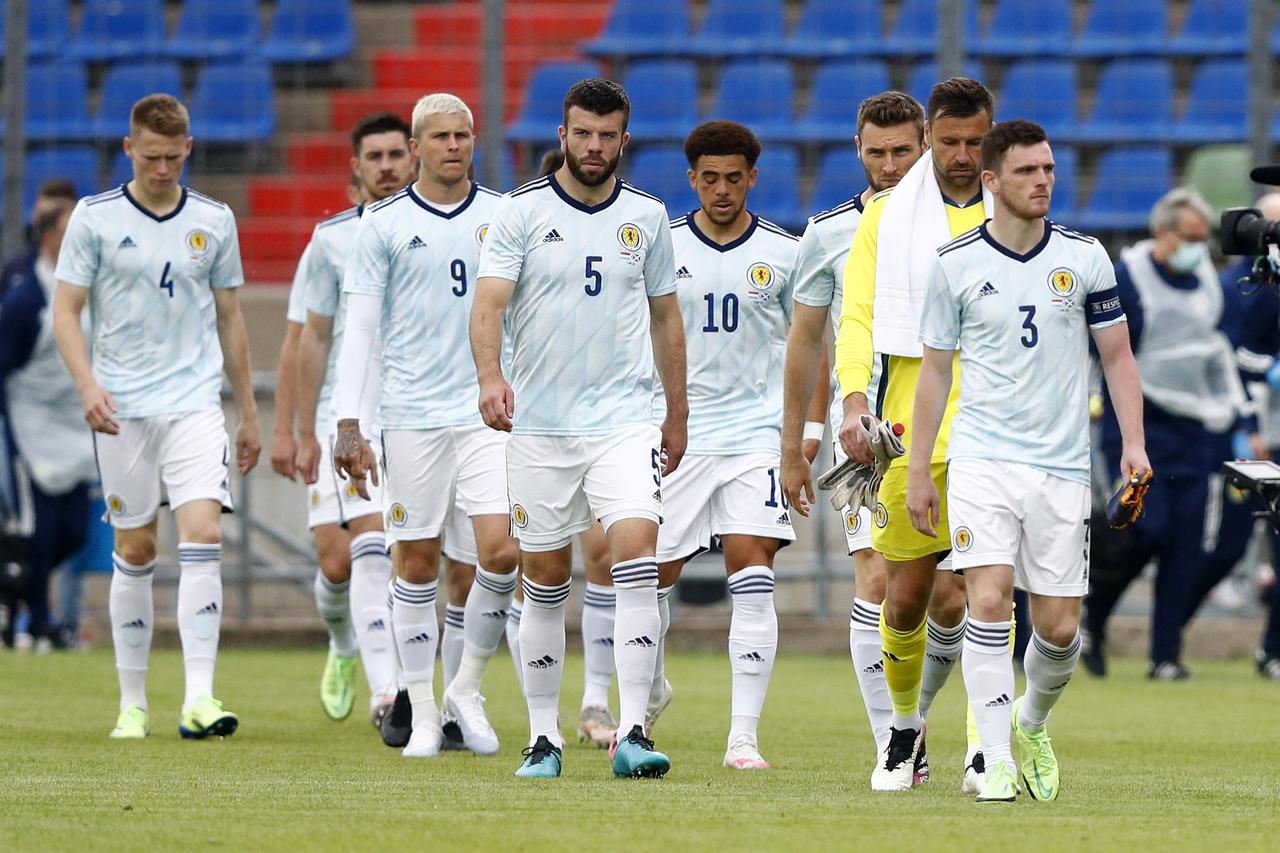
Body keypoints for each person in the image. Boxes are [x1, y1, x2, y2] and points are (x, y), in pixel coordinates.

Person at [906, 118, 1147, 804]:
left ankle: (1029, 721)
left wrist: (1133, 444)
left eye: (1048, 168)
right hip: (982, 458)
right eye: (1027, 171)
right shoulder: (955, 265)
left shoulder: (1087, 258)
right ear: (991, 180)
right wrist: (921, 467)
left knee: (1060, 627)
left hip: (1062, 466)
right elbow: (933, 376)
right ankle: (992, 758)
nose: (1043, 180)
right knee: (986, 598)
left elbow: (1118, 357)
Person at [471, 78, 687, 779]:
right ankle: (543, 737)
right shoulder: (519, 212)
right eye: (582, 134)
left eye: (607, 136)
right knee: (543, 577)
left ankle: (629, 729)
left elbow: (665, 319)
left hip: (623, 422)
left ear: (625, 140)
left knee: (635, 556)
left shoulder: (649, 217)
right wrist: (490, 377)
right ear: (562, 136)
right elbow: (489, 306)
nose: (595, 147)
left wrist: (675, 412)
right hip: (540, 425)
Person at [51, 93, 260, 739]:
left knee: (203, 534)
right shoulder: (94, 218)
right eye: (151, 157)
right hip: (122, 408)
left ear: (188, 150)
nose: (163, 168)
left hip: (194, 403)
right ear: (128, 150)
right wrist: (87, 385)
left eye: (173, 157)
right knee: (135, 547)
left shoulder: (214, 220)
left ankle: (199, 697)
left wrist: (248, 411)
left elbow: (230, 319)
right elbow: (66, 311)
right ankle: (132, 702)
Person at [334, 93, 520, 759]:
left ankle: (463, 689)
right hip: (410, 417)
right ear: (416, 147)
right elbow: (358, 329)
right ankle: (419, 711)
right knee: (415, 560)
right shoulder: (381, 227)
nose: (452, 146)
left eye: (463, 135)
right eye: (439, 136)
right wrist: (348, 421)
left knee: (500, 552)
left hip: (486, 415)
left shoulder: (505, 216)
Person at [833, 77, 994, 792]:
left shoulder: (1012, 212)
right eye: (950, 140)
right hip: (909, 427)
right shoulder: (889, 219)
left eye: (975, 142)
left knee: (984, 592)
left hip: (994, 422)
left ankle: (985, 745)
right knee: (905, 597)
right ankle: (905, 724)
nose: (962, 154)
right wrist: (854, 401)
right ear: (933, 136)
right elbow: (858, 316)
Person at [638, 120, 799, 771]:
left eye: (735, 177)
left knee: (752, 570)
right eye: (710, 178)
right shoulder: (660, 246)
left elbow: (809, 349)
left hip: (756, 436)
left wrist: (799, 438)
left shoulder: (787, 253)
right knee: (652, 578)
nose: (723, 189)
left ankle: (743, 738)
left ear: (753, 177)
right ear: (691, 179)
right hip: (678, 434)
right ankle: (648, 689)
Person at [780, 90, 928, 777]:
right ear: (858, 150)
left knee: (937, 594)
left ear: (925, 146)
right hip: (865, 434)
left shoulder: (960, 224)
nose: (891, 164)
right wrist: (799, 437)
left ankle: (927, 718)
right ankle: (894, 742)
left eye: (903, 151)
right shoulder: (829, 232)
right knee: (873, 578)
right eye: (878, 152)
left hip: (939, 426)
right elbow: (806, 338)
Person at [289, 113, 417, 739]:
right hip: (348, 416)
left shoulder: (442, 231)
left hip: (419, 410)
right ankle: (348, 646)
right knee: (341, 561)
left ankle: (391, 690)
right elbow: (310, 337)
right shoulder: (331, 240)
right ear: (356, 169)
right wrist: (300, 429)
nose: (388, 165)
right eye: (377, 156)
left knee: (402, 553)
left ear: (414, 158)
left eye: (398, 153)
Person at [1082, 188, 1244, 680]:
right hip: (1140, 424)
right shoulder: (1128, 279)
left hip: (1197, 429)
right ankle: (1095, 615)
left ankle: (1165, 655)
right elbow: (1106, 351)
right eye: (1191, 238)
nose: (1200, 248)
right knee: (1143, 531)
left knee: (1186, 546)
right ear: (1164, 233)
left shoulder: (1208, 283)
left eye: (1205, 239)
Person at [0, 197, 97, 649]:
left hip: (75, 424)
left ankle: (20, 598)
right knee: (38, 534)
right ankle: (38, 618)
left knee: (74, 531)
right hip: (32, 428)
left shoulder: (93, 283)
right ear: (48, 237)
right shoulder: (25, 299)